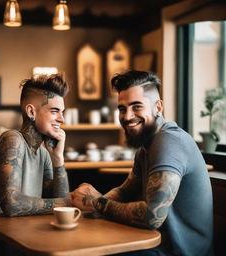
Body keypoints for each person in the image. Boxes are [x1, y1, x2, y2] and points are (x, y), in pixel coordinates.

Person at [71, 70, 213, 256]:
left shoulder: (169, 142)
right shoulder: (146, 146)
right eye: (122, 108)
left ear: (158, 107)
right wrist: (89, 204)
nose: (127, 116)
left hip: (178, 251)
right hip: (156, 244)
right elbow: (125, 190)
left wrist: (98, 203)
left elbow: (152, 216)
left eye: (136, 106)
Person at [0, 73, 70, 255]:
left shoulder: (44, 151)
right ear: (31, 112)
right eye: (55, 111)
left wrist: (58, 160)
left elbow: (62, 206)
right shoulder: (13, 139)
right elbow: (13, 204)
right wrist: (64, 202)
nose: (62, 119)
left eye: (62, 112)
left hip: (23, 240)